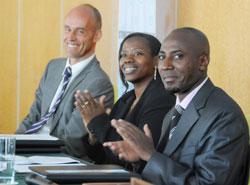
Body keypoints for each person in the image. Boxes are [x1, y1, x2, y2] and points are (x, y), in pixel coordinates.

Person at [104, 27, 249, 185]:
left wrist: (151, 155)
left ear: (203, 61)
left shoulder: (224, 116)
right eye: (161, 57)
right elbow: (167, 170)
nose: (165, 65)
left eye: (178, 56)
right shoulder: (174, 111)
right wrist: (141, 159)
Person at [15, 4, 114, 159]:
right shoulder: (53, 67)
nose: (71, 37)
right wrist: (10, 146)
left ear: (97, 36)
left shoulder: (98, 83)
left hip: (56, 159)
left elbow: (71, 141)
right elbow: (33, 116)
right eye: (67, 29)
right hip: (27, 152)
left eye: (80, 31)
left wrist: (25, 151)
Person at [74, 32, 175, 169]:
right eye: (123, 55)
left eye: (137, 54)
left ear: (156, 60)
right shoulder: (126, 99)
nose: (128, 59)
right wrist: (92, 135)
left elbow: (129, 156)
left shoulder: (162, 100)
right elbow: (102, 157)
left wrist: (96, 121)